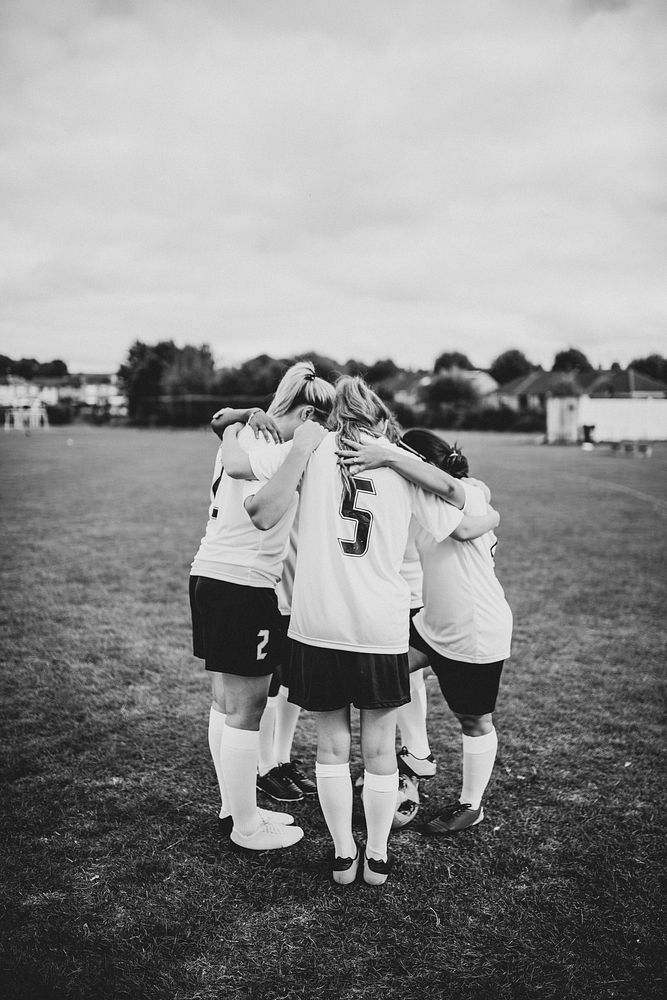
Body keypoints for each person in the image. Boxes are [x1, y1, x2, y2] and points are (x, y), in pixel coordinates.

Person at [244, 377, 499, 884]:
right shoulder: (396, 462)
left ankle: (343, 854)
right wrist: (401, 459)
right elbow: (461, 509)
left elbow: (256, 500)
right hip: (381, 625)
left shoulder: (309, 449)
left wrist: (249, 421)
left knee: (332, 745)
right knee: (380, 749)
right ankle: (377, 855)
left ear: (331, 417)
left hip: (316, 624)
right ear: (380, 419)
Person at [337, 428, 512, 834]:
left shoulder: (465, 490)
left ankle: (472, 805)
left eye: (402, 456)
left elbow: (464, 525)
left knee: (475, 721)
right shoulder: (426, 496)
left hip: (474, 628)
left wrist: (391, 457)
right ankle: (400, 762)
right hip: (431, 623)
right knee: (382, 674)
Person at [189, 361, 333, 851]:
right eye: (324, 424)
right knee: (246, 711)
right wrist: (302, 451)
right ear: (311, 412)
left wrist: (238, 414)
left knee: (224, 702)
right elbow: (264, 514)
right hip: (244, 585)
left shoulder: (241, 431)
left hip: (209, 574)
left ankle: (236, 808)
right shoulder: (272, 445)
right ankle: (247, 827)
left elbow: (220, 422)